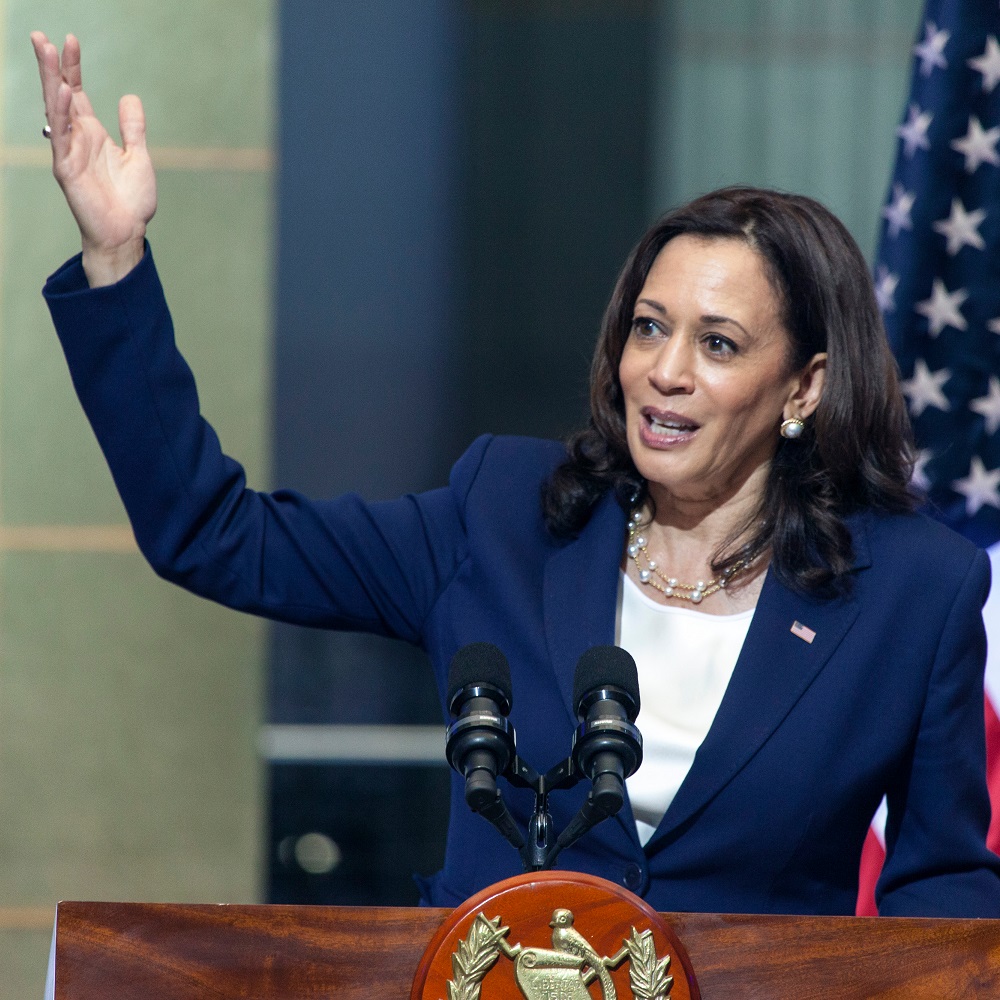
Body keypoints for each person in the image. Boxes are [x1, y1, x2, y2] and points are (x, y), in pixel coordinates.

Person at [31, 31, 1000, 917]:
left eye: (717, 342)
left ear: (802, 387)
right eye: (649, 327)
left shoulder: (911, 590)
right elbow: (217, 537)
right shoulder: (502, 516)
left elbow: (942, 888)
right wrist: (114, 260)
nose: (664, 370)